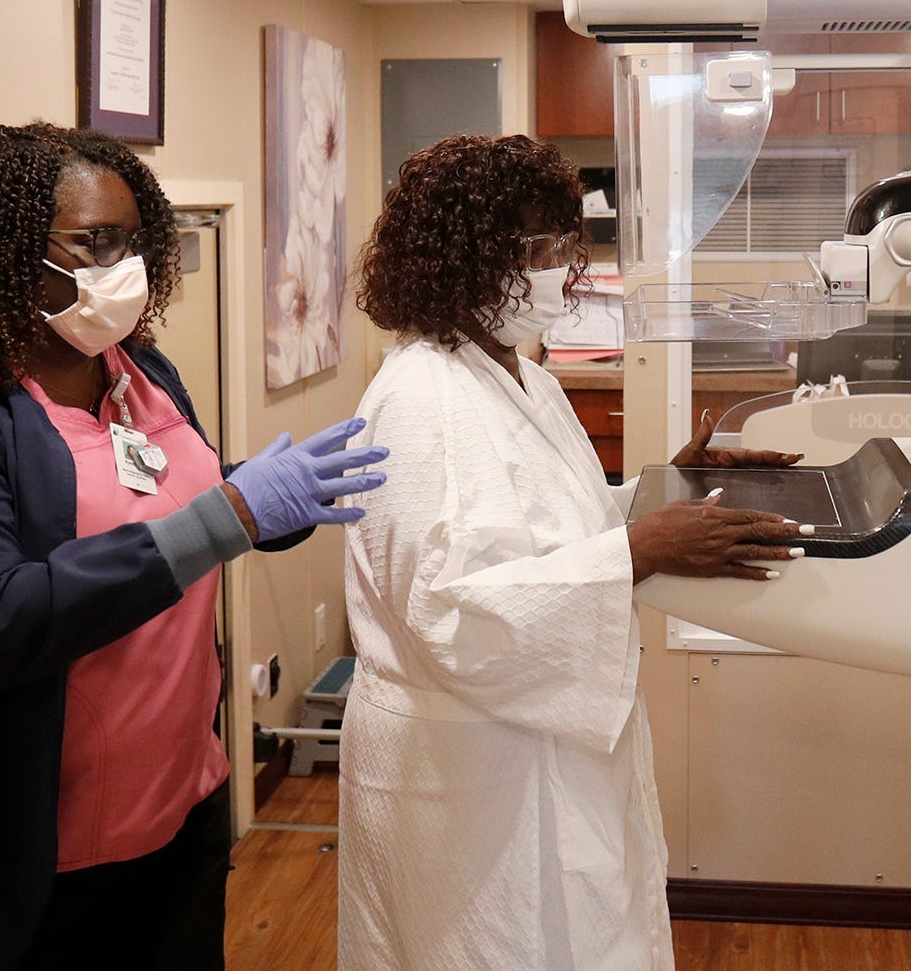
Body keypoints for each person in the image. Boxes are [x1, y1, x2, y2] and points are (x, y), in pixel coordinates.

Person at [0, 122, 388, 970]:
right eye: (94, 243)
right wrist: (230, 513)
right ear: (6, 249)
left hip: (178, 813)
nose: (122, 265)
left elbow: (157, 501)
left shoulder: (139, 371)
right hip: (23, 857)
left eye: (134, 241)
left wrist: (263, 495)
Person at [339, 134, 810, 970]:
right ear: (465, 259)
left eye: (564, 243)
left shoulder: (520, 376)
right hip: (466, 776)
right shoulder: (421, 400)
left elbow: (552, 525)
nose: (558, 268)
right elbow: (448, 611)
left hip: (525, 747)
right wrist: (639, 550)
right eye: (537, 249)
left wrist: (669, 490)